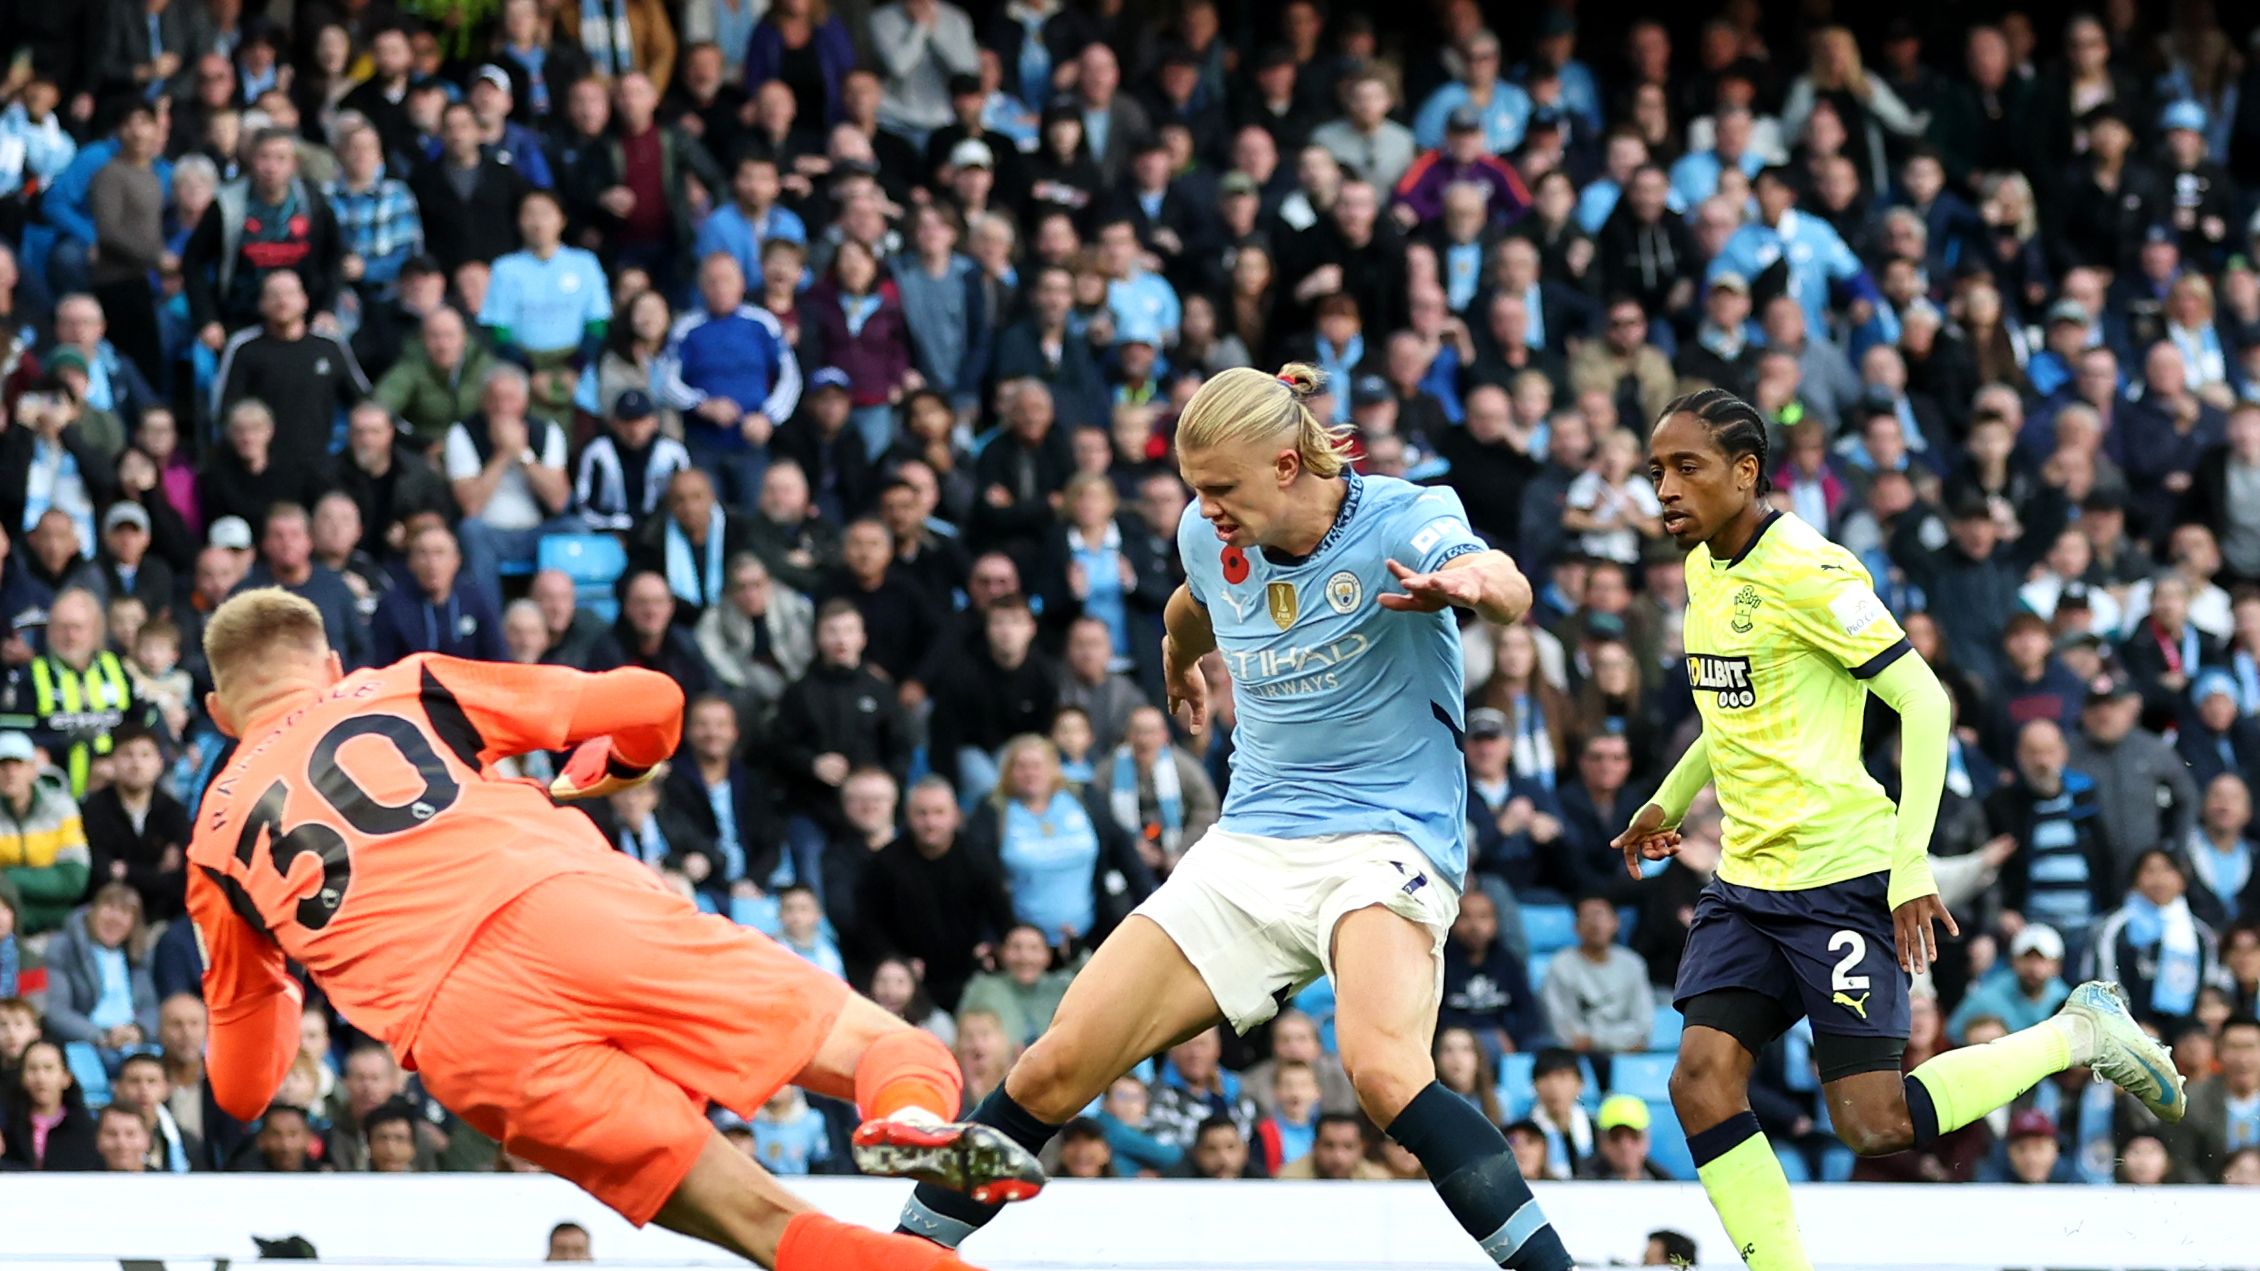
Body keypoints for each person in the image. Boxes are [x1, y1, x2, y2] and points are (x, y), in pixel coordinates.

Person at [902, 363, 1575, 1268]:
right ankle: (892, 1256)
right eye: (1195, 488)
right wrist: (1178, 659)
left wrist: (1471, 587)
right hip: (1250, 845)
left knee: (1383, 1073)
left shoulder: (1400, 519)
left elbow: (1504, 579)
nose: (1205, 507)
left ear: (1287, 465)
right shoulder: (1207, 532)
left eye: (1221, 487)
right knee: (1053, 1066)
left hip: (1386, 840)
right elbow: (1194, 604)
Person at [183, 588, 1038, 1268]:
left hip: (463, 1033)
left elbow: (245, 1089)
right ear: (332, 665)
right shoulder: (396, 686)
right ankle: (912, 1118)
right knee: (890, 1047)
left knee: (773, 1231)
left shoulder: (214, 845)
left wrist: (278, 980)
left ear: (222, 712)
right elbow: (651, 699)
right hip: (565, 907)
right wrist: (609, 769)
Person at [1618, 388, 2183, 1271]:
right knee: (1699, 1080)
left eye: (1686, 467)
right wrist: (1668, 797)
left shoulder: (1812, 571)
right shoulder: (1703, 568)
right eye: (1657, 470)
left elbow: (1925, 700)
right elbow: (1731, 715)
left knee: (1873, 1122)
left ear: (1746, 471)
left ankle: (2079, 1032)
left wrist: (1910, 864)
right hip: (1748, 880)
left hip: (1839, 876)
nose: (1665, 488)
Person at [0, 731, 92, 937]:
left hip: (56, 926)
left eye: (18, 764)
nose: (10, 773)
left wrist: (8, 875)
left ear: (33, 770)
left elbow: (73, 880)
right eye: (3, 765)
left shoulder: (61, 807)